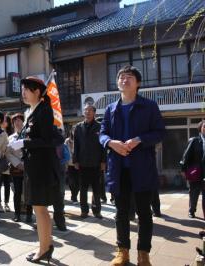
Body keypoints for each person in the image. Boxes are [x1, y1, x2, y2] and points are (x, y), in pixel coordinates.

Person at [100, 66, 165, 266]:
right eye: (121, 77)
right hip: (118, 170)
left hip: (142, 169)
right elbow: (102, 133)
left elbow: (160, 133)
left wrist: (139, 140)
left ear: (138, 83)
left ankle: (143, 254)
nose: (124, 80)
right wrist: (111, 143)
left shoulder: (149, 106)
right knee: (121, 213)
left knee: (144, 213)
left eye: (129, 77)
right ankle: (123, 252)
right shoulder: (111, 108)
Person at [9, 76, 60, 263]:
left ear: (37, 92)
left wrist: (24, 142)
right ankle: (45, 246)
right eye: (22, 89)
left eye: (26, 90)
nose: (23, 93)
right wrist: (20, 142)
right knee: (39, 209)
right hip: (33, 166)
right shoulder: (31, 111)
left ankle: (44, 249)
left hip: (41, 167)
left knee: (41, 209)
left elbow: (48, 141)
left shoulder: (44, 110)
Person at [73, 104, 106, 219]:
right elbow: (75, 146)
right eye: (86, 110)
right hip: (82, 163)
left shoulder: (100, 127)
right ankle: (84, 211)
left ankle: (97, 211)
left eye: (90, 110)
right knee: (83, 189)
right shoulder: (78, 127)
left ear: (94, 113)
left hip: (96, 163)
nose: (87, 112)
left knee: (97, 189)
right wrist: (75, 160)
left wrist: (103, 161)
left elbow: (103, 146)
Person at [6, 113, 32, 222]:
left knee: (28, 191)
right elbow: (8, 153)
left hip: (29, 167)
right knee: (17, 191)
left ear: (23, 122)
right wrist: (18, 164)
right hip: (16, 168)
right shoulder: (10, 138)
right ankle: (17, 214)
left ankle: (29, 214)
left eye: (19, 120)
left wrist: (26, 163)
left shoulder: (29, 135)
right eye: (15, 121)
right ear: (13, 124)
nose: (17, 122)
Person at [180, 120, 205, 219]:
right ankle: (192, 210)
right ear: (200, 128)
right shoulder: (194, 140)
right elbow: (186, 155)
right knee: (194, 193)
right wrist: (183, 169)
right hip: (196, 172)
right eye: (204, 126)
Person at [0, 114, 13, 213]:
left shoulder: (11, 134)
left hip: (8, 160)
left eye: (5, 120)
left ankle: (6, 203)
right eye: (3, 120)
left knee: (7, 183)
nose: (4, 122)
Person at [65, 130, 79, 203]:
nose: (74, 132)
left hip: (78, 164)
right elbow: (64, 151)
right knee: (71, 181)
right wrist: (65, 163)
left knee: (77, 182)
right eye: (73, 130)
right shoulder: (67, 140)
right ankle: (73, 196)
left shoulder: (80, 139)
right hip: (69, 164)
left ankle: (74, 197)